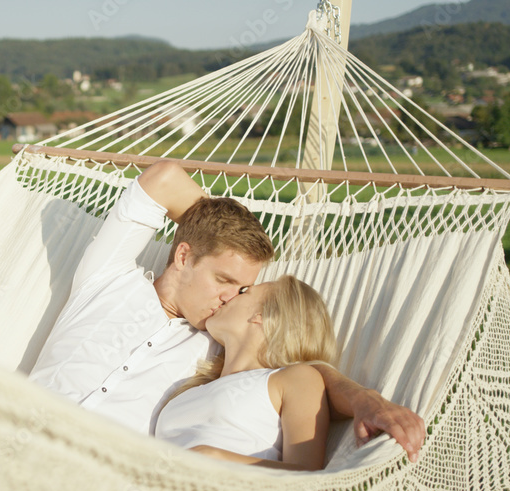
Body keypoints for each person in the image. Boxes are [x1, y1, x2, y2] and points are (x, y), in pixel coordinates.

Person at [28, 160, 425, 462]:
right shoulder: (106, 276)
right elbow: (163, 178)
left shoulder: (214, 348)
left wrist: (365, 400)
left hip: (96, 482)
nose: (230, 298)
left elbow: (306, 372)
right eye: (223, 279)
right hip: (14, 437)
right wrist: (211, 228)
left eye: (243, 289)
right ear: (183, 256)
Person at [154, 275, 336, 470]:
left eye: (243, 292)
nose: (227, 297)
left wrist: (214, 456)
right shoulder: (190, 389)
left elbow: (307, 478)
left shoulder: (295, 378)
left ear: (264, 315)